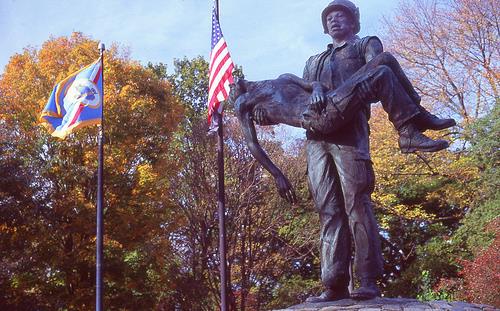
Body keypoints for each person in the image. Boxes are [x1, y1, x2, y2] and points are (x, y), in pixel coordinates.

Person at [232, 0, 456, 302]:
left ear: (354, 22)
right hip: (316, 139)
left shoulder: (364, 45)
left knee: (357, 202)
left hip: (350, 131)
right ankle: (333, 283)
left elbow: (377, 79)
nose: (335, 20)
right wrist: (266, 114)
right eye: (330, 17)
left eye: (342, 15)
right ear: (325, 26)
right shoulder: (313, 61)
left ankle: (367, 279)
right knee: (328, 209)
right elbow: (300, 95)